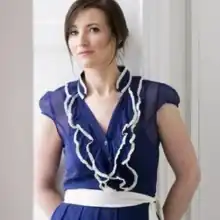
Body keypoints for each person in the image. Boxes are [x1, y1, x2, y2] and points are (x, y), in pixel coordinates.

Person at [35, 0, 201, 219]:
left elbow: (189, 174)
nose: (81, 41)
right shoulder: (58, 104)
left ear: (117, 35)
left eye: (93, 29)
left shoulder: (155, 99)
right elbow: (41, 185)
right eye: (73, 32)